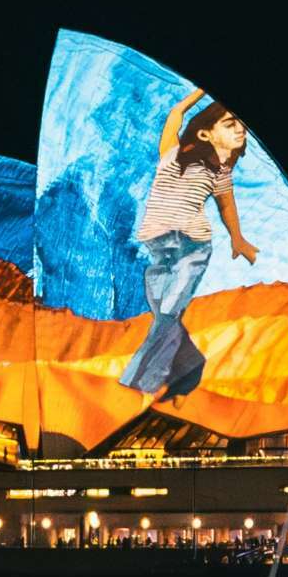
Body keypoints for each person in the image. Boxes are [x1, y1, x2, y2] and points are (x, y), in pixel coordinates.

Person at [119, 88, 258, 407]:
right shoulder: (172, 151)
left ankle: (139, 386)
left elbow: (227, 205)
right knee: (164, 314)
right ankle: (189, 369)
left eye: (241, 124)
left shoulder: (221, 172)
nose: (239, 128)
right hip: (157, 245)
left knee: (167, 312)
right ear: (206, 132)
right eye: (229, 122)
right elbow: (175, 116)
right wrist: (199, 92)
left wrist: (237, 238)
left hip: (191, 247)